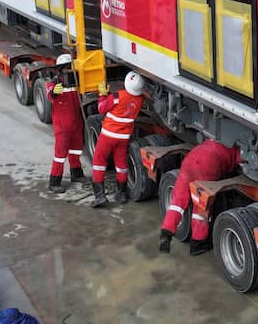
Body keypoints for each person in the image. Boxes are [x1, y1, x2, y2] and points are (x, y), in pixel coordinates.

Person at [158, 139, 241, 256]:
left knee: (178, 201)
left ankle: (166, 233)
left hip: (190, 159)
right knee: (201, 206)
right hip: (208, 164)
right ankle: (198, 244)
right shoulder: (235, 148)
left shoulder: (213, 138)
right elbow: (242, 160)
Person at [91, 71, 146, 208]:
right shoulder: (140, 100)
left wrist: (102, 94)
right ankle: (121, 194)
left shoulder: (117, 96)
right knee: (121, 165)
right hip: (123, 138)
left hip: (108, 135)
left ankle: (100, 196)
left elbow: (101, 108)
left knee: (99, 162)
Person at [46, 54, 87, 193]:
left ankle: (77, 174)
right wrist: (53, 92)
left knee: (76, 150)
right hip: (62, 126)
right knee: (60, 154)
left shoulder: (77, 81)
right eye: (67, 67)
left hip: (76, 123)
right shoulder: (55, 83)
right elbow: (49, 93)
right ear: (60, 69)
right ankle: (54, 182)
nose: (70, 70)